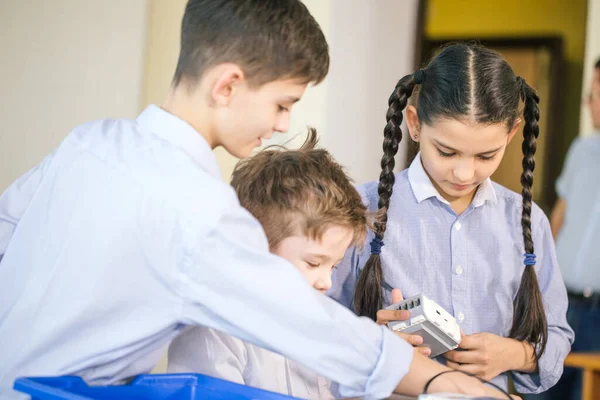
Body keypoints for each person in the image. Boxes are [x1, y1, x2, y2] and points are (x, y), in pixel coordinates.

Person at [0, 2, 507, 399]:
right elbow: (302, 321)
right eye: (282, 103)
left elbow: (7, 228)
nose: (284, 123)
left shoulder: (88, 142)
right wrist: (439, 382)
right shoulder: (199, 212)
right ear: (227, 85)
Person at [330, 43, 574, 395]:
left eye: (486, 155)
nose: (463, 172)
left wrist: (516, 354)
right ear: (414, 124)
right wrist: (373, 340)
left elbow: (557, 334)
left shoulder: (526, 222)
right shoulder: (359, 209)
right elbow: (316, 324)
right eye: (446, 151)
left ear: (512, 133)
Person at [169, 129, 366, 399]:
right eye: (313, 263)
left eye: (333, 267)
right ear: (256, 245)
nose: (327, 282)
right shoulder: (215, 329)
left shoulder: (305, 325)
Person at [530, 58, 600, 400]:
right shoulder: (581, 150)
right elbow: (558, 217)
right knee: (540, 390)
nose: (591, 102)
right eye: (591, 92)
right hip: (562, 303)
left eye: (596, 92)